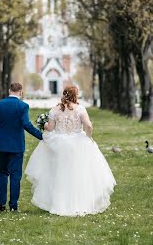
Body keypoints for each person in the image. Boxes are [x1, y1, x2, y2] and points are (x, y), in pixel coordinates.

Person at [25, 86, 116, 216]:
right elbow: (89, 126)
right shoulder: (80, 109)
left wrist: (43, 124)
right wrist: (88, 137)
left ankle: (59, 204)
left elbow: (50, 128)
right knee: (79, 173)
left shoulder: (54, 110)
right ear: (75, 95)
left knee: (59, 174)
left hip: (59, 144)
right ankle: (82, 203)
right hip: (78, 144)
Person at [0, 82, 42, 212]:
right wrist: (41, 136)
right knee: (15, 176)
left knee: (2, 174)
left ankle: (1, 205)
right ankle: (13, 206)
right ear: (21, 92)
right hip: (16, 147)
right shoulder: (23, 106)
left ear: (9, 90)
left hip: (0, 146)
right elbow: (26, 124)